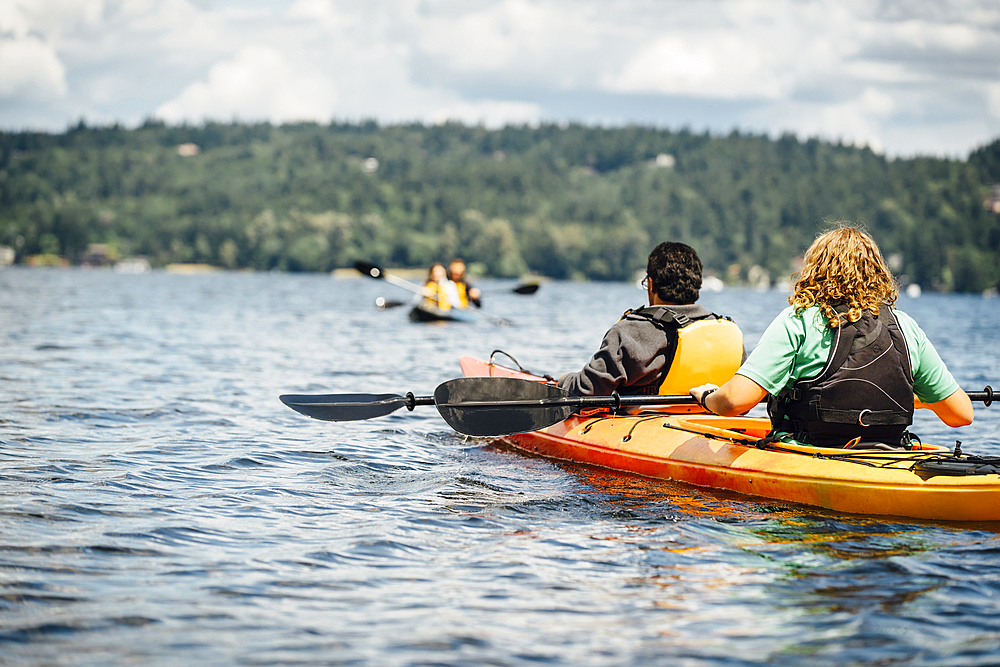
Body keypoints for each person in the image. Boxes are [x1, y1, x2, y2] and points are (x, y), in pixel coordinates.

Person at [690, 226, 974, 448]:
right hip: (889, 454)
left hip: (811, 453)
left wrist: (707, 398)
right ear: (878, 273)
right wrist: (905, 399)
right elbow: (961, 414)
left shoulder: (799, 320)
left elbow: (733, 402)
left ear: (815, 270)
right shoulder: (904, 326)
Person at [558, 241, 745, 396]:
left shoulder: (629, 333)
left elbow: (587, 390)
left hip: (643, 426)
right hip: (712, 424)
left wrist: (564, 380)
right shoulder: (729, 334)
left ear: (651, 284)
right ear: (696, 284)